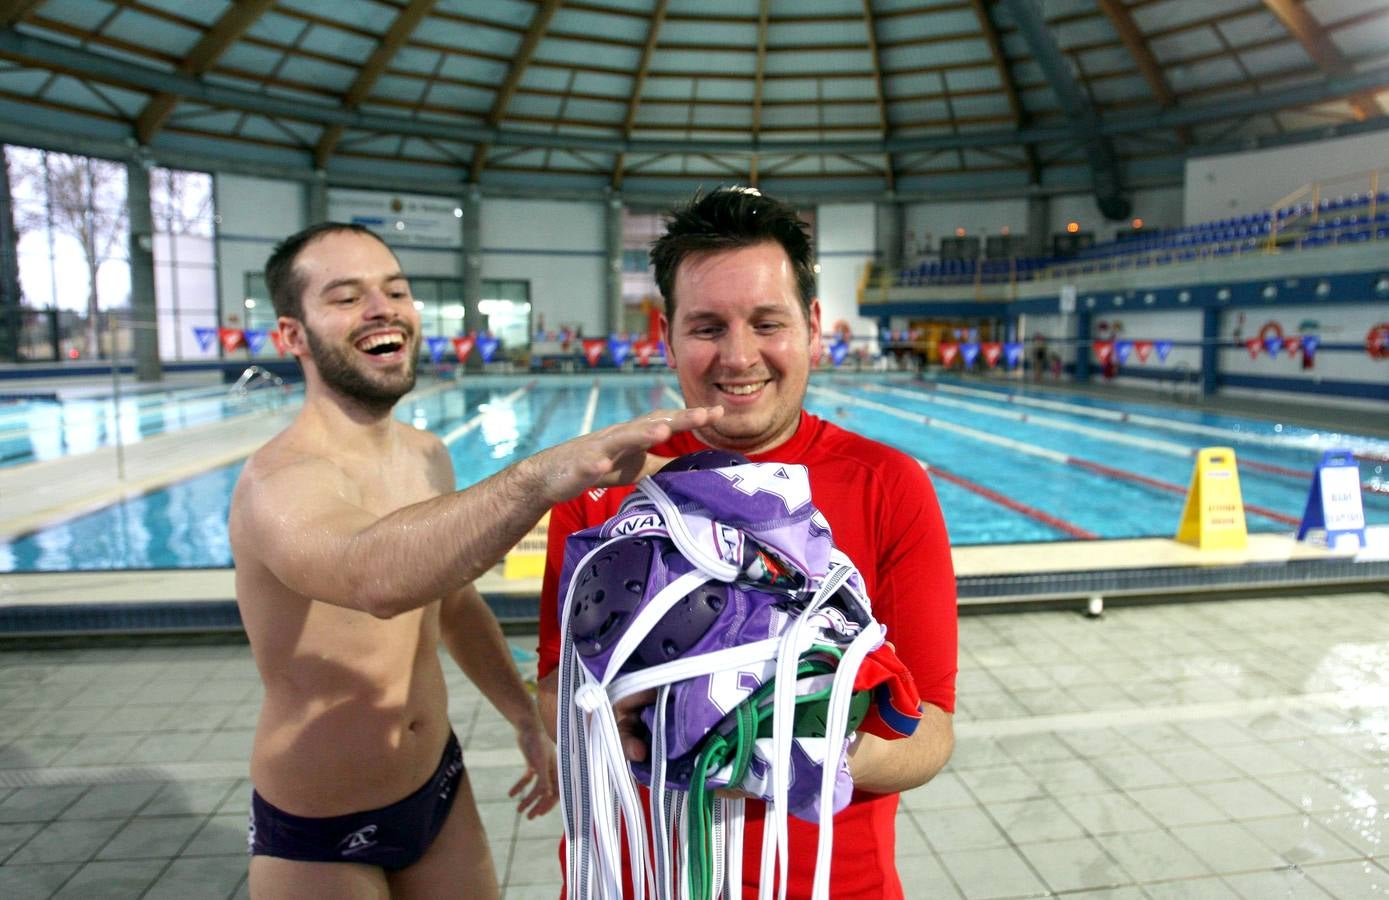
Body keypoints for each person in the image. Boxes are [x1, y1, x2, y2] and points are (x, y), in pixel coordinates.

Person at [230, 222, 721, 899]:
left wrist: (523, 718)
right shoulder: (279, 483)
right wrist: (539, 478)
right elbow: (372, 577)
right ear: (292, 335)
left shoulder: (424, 453)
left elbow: (453, 605)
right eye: (346, 298)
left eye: (393, 290)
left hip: (435, 786)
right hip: (319, 826)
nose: (381, 308)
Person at [537, 188, 958, 899]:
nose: (738, 357)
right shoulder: (600, 488)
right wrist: (605, 714)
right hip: (640, 878)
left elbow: (932, 732)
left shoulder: (888, 485)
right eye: (706, 327)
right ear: (666, 333)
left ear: (813, 326)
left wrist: (777, 741)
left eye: (766, 322)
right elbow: (556, 690)